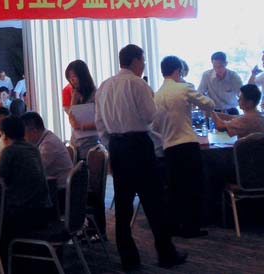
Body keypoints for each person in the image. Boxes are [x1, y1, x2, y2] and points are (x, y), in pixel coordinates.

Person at [95, 44, 186, 271]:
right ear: (136, 60)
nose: (144, 64)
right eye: (143, 60)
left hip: (117, 147)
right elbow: (150, 116)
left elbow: (100, 124)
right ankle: (166, 254)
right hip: (138, 146)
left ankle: (128, 259)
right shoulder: (138, 84)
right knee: (154, 201)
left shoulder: (104, 86)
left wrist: (112, 144)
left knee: (123, 205)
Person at [153, 55, 214, 239]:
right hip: (187, 143)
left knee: (175, 187)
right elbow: (209, 104)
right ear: (178, 71)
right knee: (193, 187)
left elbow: (155, 125)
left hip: (169, 146)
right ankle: (192, 227)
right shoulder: (184, 88)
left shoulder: (156, 95)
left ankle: (175, 225)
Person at [0, 115, 52, 266]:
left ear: (4, 135)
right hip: (43, 210)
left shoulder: (9, 151)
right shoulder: (33, 148)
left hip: (22, 213)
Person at [22, 111, 73, 190]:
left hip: (60, 189)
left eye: (23, 134)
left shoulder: (48, 144)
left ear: (34, 131)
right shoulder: (44, 138)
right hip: (53, 185)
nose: (23, 138)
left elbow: (34, 169)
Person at [62, 60, 100, 160]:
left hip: (92, 144)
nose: (72, 81)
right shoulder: (77, 94)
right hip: (76, 143)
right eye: (69, 78)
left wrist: (82, 126)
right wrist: (73, 100)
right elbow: (71, 119)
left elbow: (101, 122)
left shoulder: (96, 95)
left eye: (74, 77)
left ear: (83, 76)